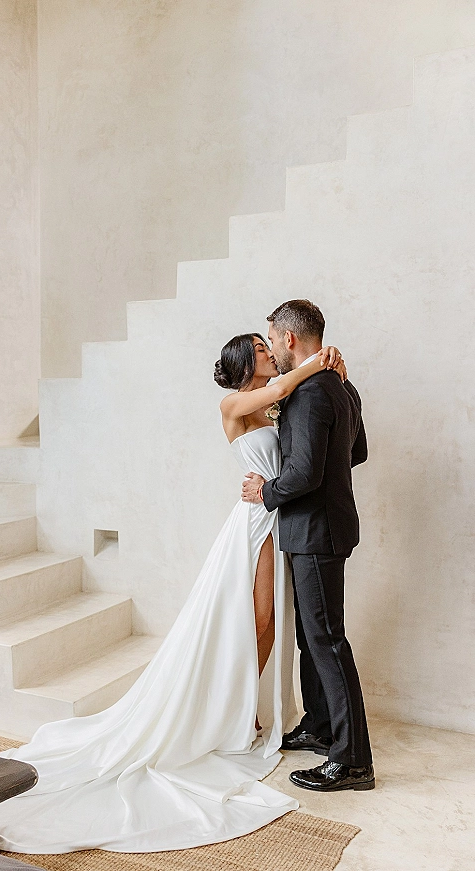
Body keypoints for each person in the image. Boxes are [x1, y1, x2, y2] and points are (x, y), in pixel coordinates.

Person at [0, 333, 344, 855]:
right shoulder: (234, 404)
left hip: (278, 517)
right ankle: (230, 711)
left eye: (268, 344)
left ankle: (238, 708)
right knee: (260, 621)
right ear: (242, 362)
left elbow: (296, 434)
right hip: (255, 524)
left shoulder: (278, 407)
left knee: (270, 624)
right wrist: (318, 363)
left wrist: (327, 373)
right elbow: (281, 384)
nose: (266, 351)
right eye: (258, 347)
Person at [242, 299, 374, 792]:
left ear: (289, 339)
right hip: (321, 529)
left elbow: (304, 473)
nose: (271, 348)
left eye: (271, 339)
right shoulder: (339, 385)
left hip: (316, 531)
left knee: (326, 640)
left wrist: (266, 492)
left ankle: (352, 759)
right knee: (311, 636)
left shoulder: (311, 392)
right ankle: (321, 726)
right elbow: (355, 451)